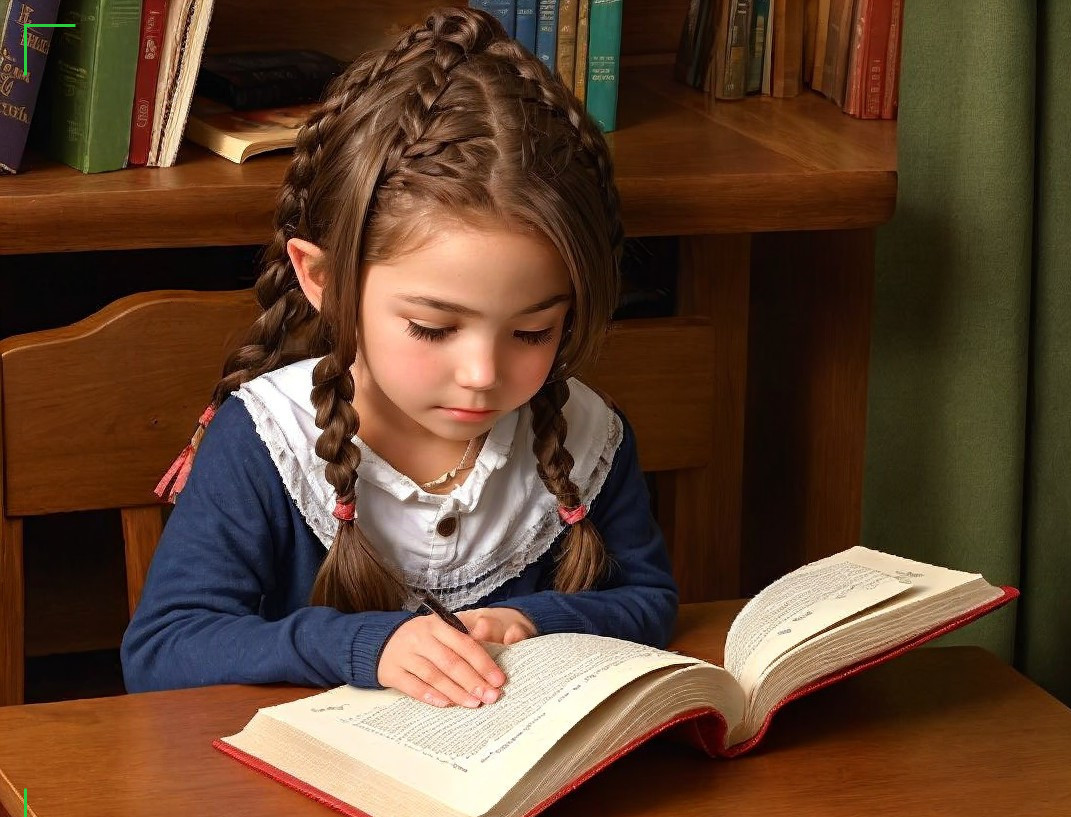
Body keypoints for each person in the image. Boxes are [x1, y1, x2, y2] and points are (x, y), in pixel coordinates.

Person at [120, 7, 677, 709]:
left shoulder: (588, 438)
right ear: (322, 280)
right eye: (432, 328)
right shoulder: (269, 441)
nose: (482, 372)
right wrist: (363, 647)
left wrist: (537, 621)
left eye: (532, 332)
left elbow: (649, 604)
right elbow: (164, 650)